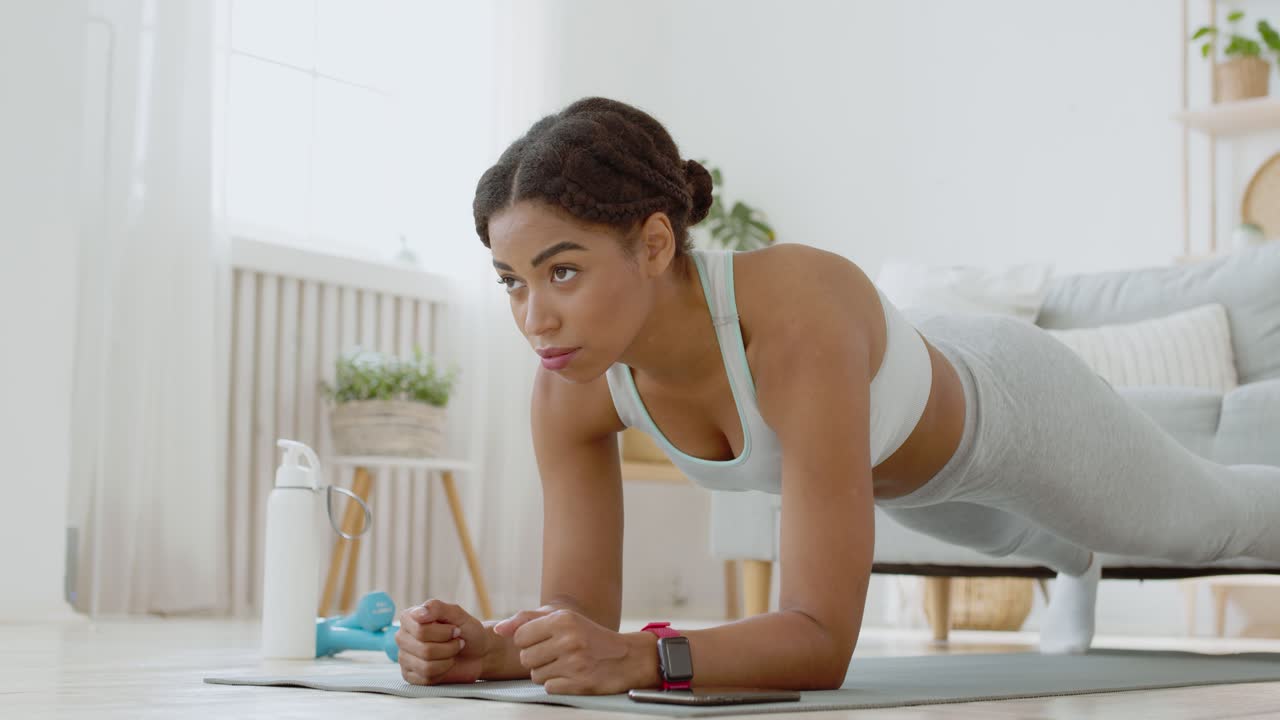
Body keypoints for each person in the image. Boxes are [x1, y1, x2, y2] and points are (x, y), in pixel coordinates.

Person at [394, 96, 1280, 695]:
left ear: (656, 245)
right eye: (512, 281)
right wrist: (502, 648)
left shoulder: (795, 315)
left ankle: (1088, 550)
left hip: (1010, 405)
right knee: (1024, 531)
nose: (535, 318)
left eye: (563, 272)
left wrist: (642, 659)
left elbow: (820, 640)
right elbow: (580, 618)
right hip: (911, 473)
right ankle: (1070, 559)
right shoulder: (570, 383)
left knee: (1211, 524)